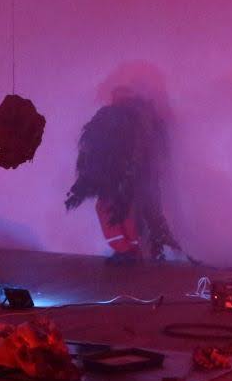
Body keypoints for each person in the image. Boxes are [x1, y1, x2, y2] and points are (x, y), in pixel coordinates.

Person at [64, 86, 189, 262]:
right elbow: (155, 151)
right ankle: (133, 249)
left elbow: (102, 146)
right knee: (126, 210)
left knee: (109, 209)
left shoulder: (117, 116)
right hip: (138, 177)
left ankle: (125, 250)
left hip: (119, 176)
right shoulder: (146, 118)